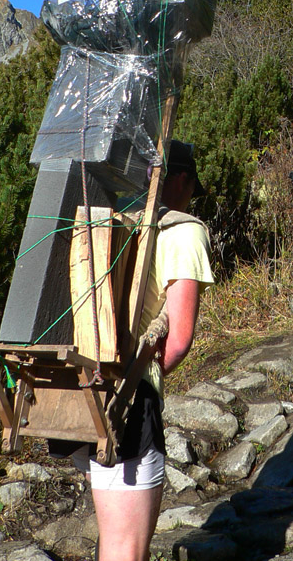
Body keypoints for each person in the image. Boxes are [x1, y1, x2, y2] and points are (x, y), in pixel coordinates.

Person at [73, 140, 214, 561]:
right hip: (126, 398)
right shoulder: (184, 231)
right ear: (181, 179)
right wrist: (145, 379)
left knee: (113, 535)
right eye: (191, 186)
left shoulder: (109, 216)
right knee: (126, 548)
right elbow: (179, 339)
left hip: (76, 386)